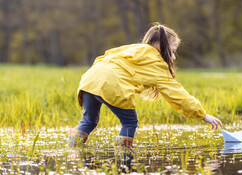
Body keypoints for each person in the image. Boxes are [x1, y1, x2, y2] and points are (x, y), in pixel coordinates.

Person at [68, 23, 223, 152]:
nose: (174, 57)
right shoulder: (156, 63)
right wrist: (203, 115)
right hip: (111, 83)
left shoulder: (134, 48)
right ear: (162, 46)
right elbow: (178, 95)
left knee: (89, 120)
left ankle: (73, 150)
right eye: (173, 51)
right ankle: (124, 159)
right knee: (130, 122)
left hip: (90, 79)